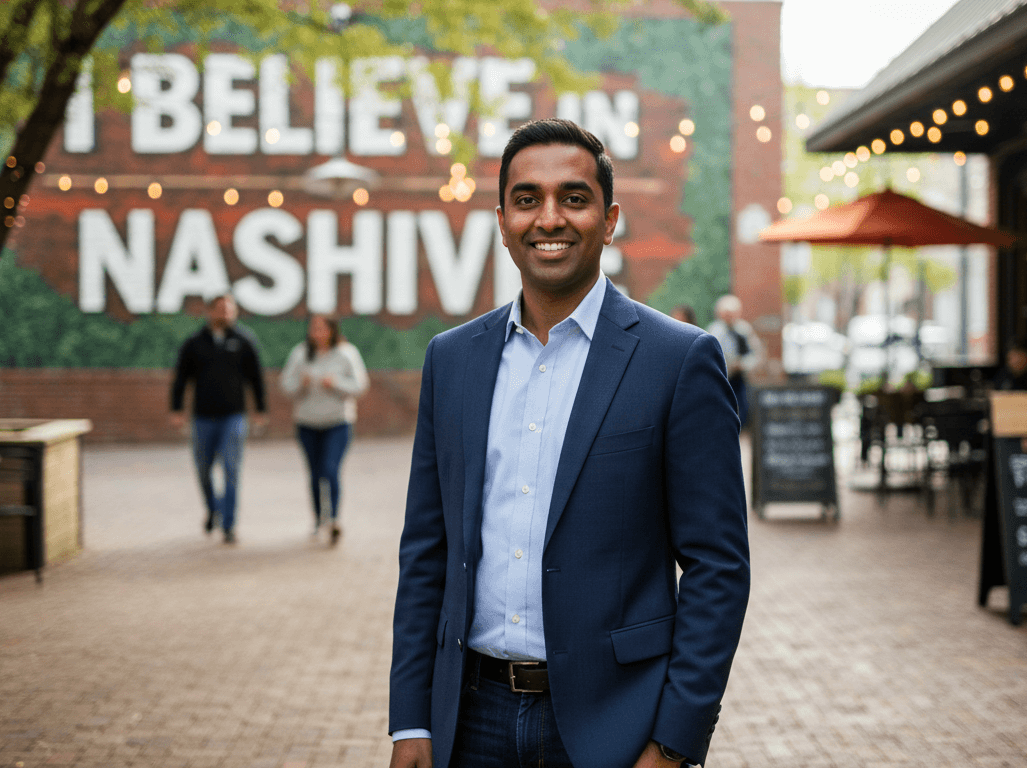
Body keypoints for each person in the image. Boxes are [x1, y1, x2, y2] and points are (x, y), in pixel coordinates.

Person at [388, 119, 750, 768]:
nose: (548, 218)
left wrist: (673, 741)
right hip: (468, 722)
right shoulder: (453, 360)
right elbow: (427, 551)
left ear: (608, 221)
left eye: (573, 199)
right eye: (527, 200)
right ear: (502, 220)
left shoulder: (679, 360)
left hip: (617, 724)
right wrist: (410, 719)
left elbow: (717, 567)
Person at [169, 294, 267, 544]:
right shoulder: (194, 343)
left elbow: (256, 378)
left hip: (233, 417)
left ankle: (229, 524)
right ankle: (213, 508)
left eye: (230, 309)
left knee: (231, 469)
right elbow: (181, 378)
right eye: (221, 309)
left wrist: (260, 409)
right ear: (210, 311)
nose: (226, 313)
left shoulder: (244, 340)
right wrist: (177, 409)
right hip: (203, 418)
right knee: (203, 469)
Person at [279, 314, 369, 544]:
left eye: (322, 328)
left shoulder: (346, 353)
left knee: (331, 469)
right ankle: (319, 519)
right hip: (308, 423)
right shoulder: (301, 354)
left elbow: (360, 385)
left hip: (338, 422)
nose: (318, 333)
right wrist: (301, 384)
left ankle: (334, 519)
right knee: (315, 473)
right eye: (314, 328)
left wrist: (336, 384)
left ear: (332, 330)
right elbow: (285, 385)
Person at [707, 294, 764, 429]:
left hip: (740, 380)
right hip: (722, 379)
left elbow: (756, 354)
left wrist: (743, 364)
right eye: (726, 313)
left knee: (742, 414)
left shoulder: (744, 330)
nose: (730, 317)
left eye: (732, 313)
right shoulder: (714, 331)